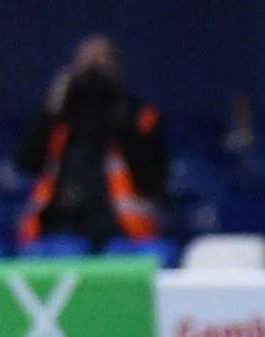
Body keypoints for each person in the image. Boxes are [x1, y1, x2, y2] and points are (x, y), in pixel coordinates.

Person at [16, 34, 165, 248]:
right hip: (59, 223)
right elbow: (26, 162)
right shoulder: (60, 116)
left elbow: (152, 179)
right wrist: (52, 110)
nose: (94, 69)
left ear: (117, 68)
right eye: (87, 62)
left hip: (121, 228)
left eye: (102, 61)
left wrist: (120, 116)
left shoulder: (139, 115)